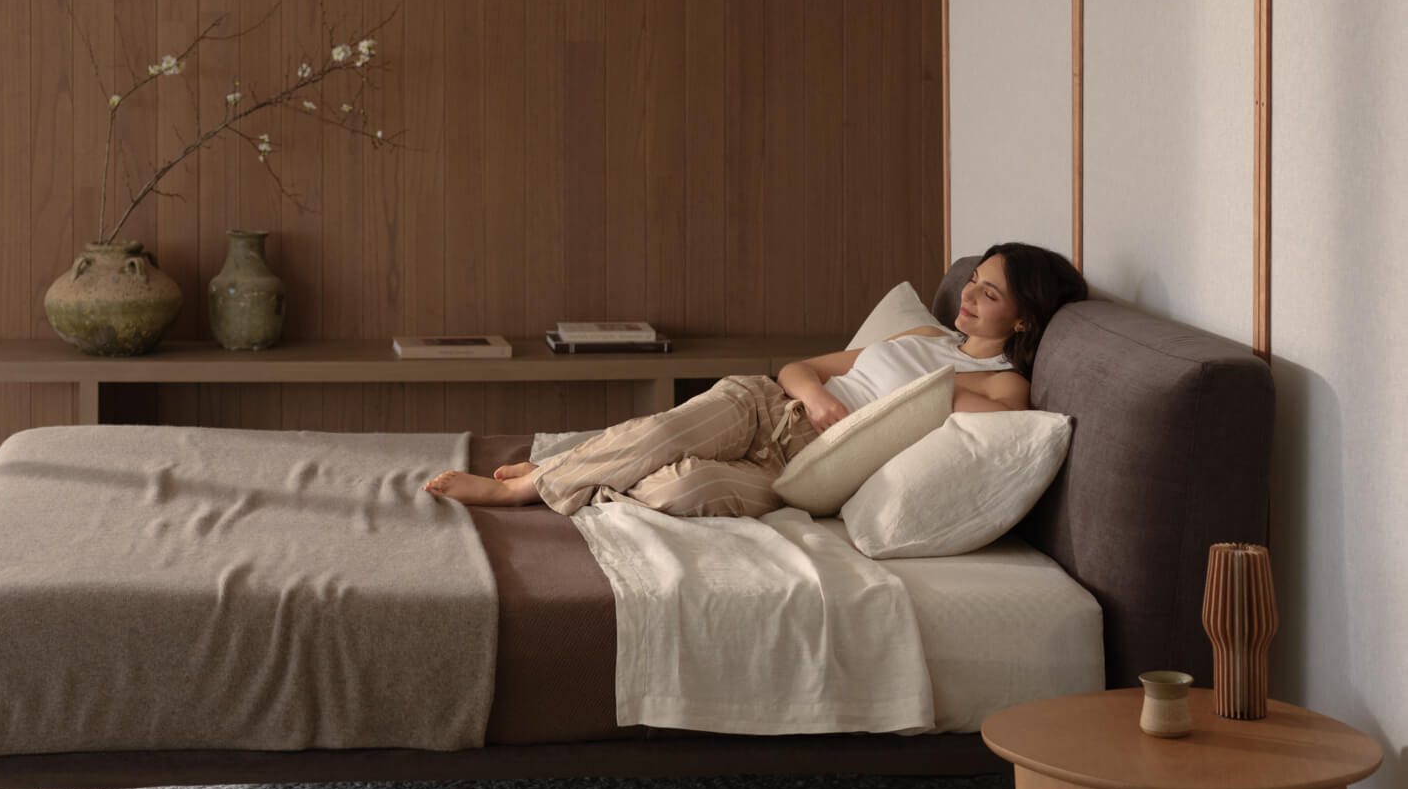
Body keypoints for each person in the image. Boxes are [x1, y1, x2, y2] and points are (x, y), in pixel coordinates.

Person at [424, 241, 1087, 518]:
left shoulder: (1007, 389)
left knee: (689, 487)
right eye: (972, 282)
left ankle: (584, 466)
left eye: (990, 294)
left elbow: (949, 406)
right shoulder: (921, 335)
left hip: (807, 466)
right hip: (770, 407)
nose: (969, 296)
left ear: (1025, 318)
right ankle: (532, 488)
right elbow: (798, 368)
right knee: (675, 427)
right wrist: (817, 392)